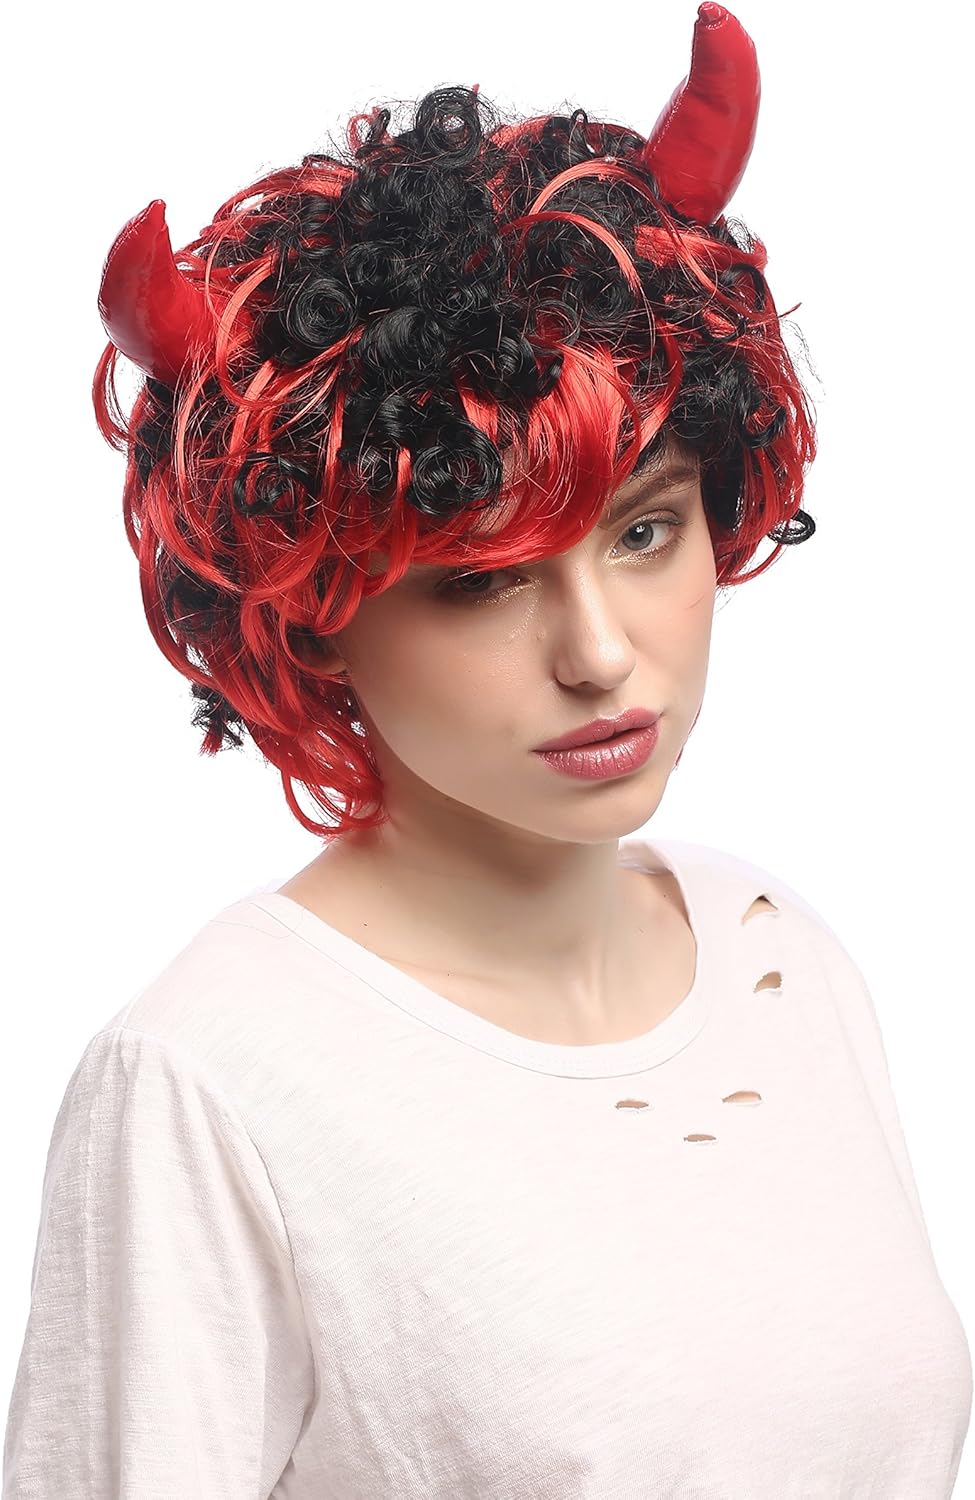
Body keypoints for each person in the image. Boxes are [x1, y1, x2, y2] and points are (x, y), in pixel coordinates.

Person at [4, 4, 972, 1495]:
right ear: (314, 613)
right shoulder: (204, 1082)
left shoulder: (785, 956)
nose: (599, 654)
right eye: (477, 581)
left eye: (643, 532)